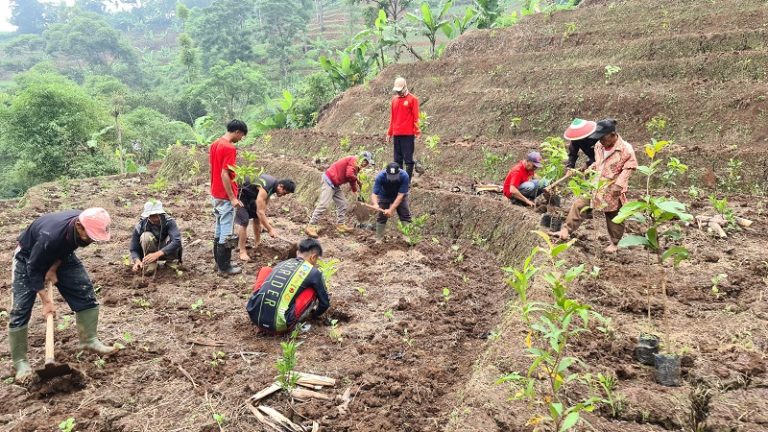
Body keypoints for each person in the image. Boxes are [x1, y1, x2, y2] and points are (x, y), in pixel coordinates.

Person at [8, 208, 115, 382]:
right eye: (89, 235)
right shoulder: (52, 235)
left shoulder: (83, 225)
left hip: (56, 253)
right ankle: (20, 362)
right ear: (79, 227)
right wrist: (46, 302)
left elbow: (66, 247)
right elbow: (33, 269)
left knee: (83, 290)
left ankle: (88, 341)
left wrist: (52, 268)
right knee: (20, 308)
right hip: (27, 257)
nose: (91, 240)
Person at [556, 119, 638, 253]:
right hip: (597, 184)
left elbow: (630, 167)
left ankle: (615, 243)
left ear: (612, 134)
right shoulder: (599, 146)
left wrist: (619, 185)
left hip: (613, 186)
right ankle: (566, 230)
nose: (600, 141)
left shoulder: (625, 148)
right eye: (599, 138)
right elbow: (598, 162)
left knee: (614, 214)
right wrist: (591, 167)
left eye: (603, 138)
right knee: (580, 205)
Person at [246, 238, 330, 335]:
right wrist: (314, 315)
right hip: (280, 326)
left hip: (255, 317)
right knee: (312, 289)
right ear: (313, 257)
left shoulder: (283, 263)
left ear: (298, 252)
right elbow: (324, 304)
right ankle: (291, 323)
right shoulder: (313, 272)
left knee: (266, 270)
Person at [306, 151, 375, 238]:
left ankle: (340, 225)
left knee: (343, 203)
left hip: (335, 184)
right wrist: (357, 180)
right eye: (365, 162)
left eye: (367, 163)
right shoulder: (353, 160)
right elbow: (349, 174)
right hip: (329, 180)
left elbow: (352, 179)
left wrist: (355, 191)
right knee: (323, 204)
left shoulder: (357, 167)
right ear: (362, 159)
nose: (365, 164)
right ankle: (311, 225)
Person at [210, 119, 248, 275]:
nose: (241, 139)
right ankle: (225, 268)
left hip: (216, 193)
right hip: (225, 196)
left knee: (219, 228)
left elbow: (214, 169)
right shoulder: (229, 148)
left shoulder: (215, 144)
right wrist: (232, 197)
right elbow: (224, 173)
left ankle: (218, 264)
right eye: (242, 136)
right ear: (237, 132)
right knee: (226, 231)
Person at [236, 175, 296, 261]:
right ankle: (242, 251)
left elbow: (263, 208)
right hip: (239, 194)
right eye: (285, 193)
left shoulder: (273, 187)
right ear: (281, 186)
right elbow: (260, 212)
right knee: (244, 221)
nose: (283, 195)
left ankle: (257, 244)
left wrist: (262, 223)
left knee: (257, 217)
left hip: (250, 196)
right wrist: (270, 229)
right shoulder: (267, 186)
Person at [129, 200, 183, 274]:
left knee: (172, 238)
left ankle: (171, 261)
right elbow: (134, 248)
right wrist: (137, 260)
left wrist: (158, 254)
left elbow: (177, 241)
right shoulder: (141, 225)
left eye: (157, 215)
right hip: (150, 254)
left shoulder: (169, 221)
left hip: (167, 251)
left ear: (161, 214)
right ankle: (151, 263)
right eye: (151, 216)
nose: (155, 219)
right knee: (145, 236)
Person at [387, 77, 420, 180]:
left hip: (408, 134)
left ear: (405, 87)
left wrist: (417, 131)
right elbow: (392, 118)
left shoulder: (413, 99)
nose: (398, 92)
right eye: (397, 90)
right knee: (397, 159)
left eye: (400, 90)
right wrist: (389, 133)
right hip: (397, 134)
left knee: (408, 159)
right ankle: (399, 180)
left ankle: (407, 181)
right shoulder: (394, 100)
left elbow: (416, 117)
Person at [370, 162, 412, 242]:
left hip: (400, 195)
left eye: (394, 176)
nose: (392, 178)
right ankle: (379, 239)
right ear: (386, 172)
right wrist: (375, 204)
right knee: (381, 217)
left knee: (405, 214)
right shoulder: (380, 176)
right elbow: (374, 194)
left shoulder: (404, 176)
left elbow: (400, 196)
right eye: (390, 176)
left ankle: (407, 237)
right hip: (385, 195)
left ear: (398, 172)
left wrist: (391, 209)